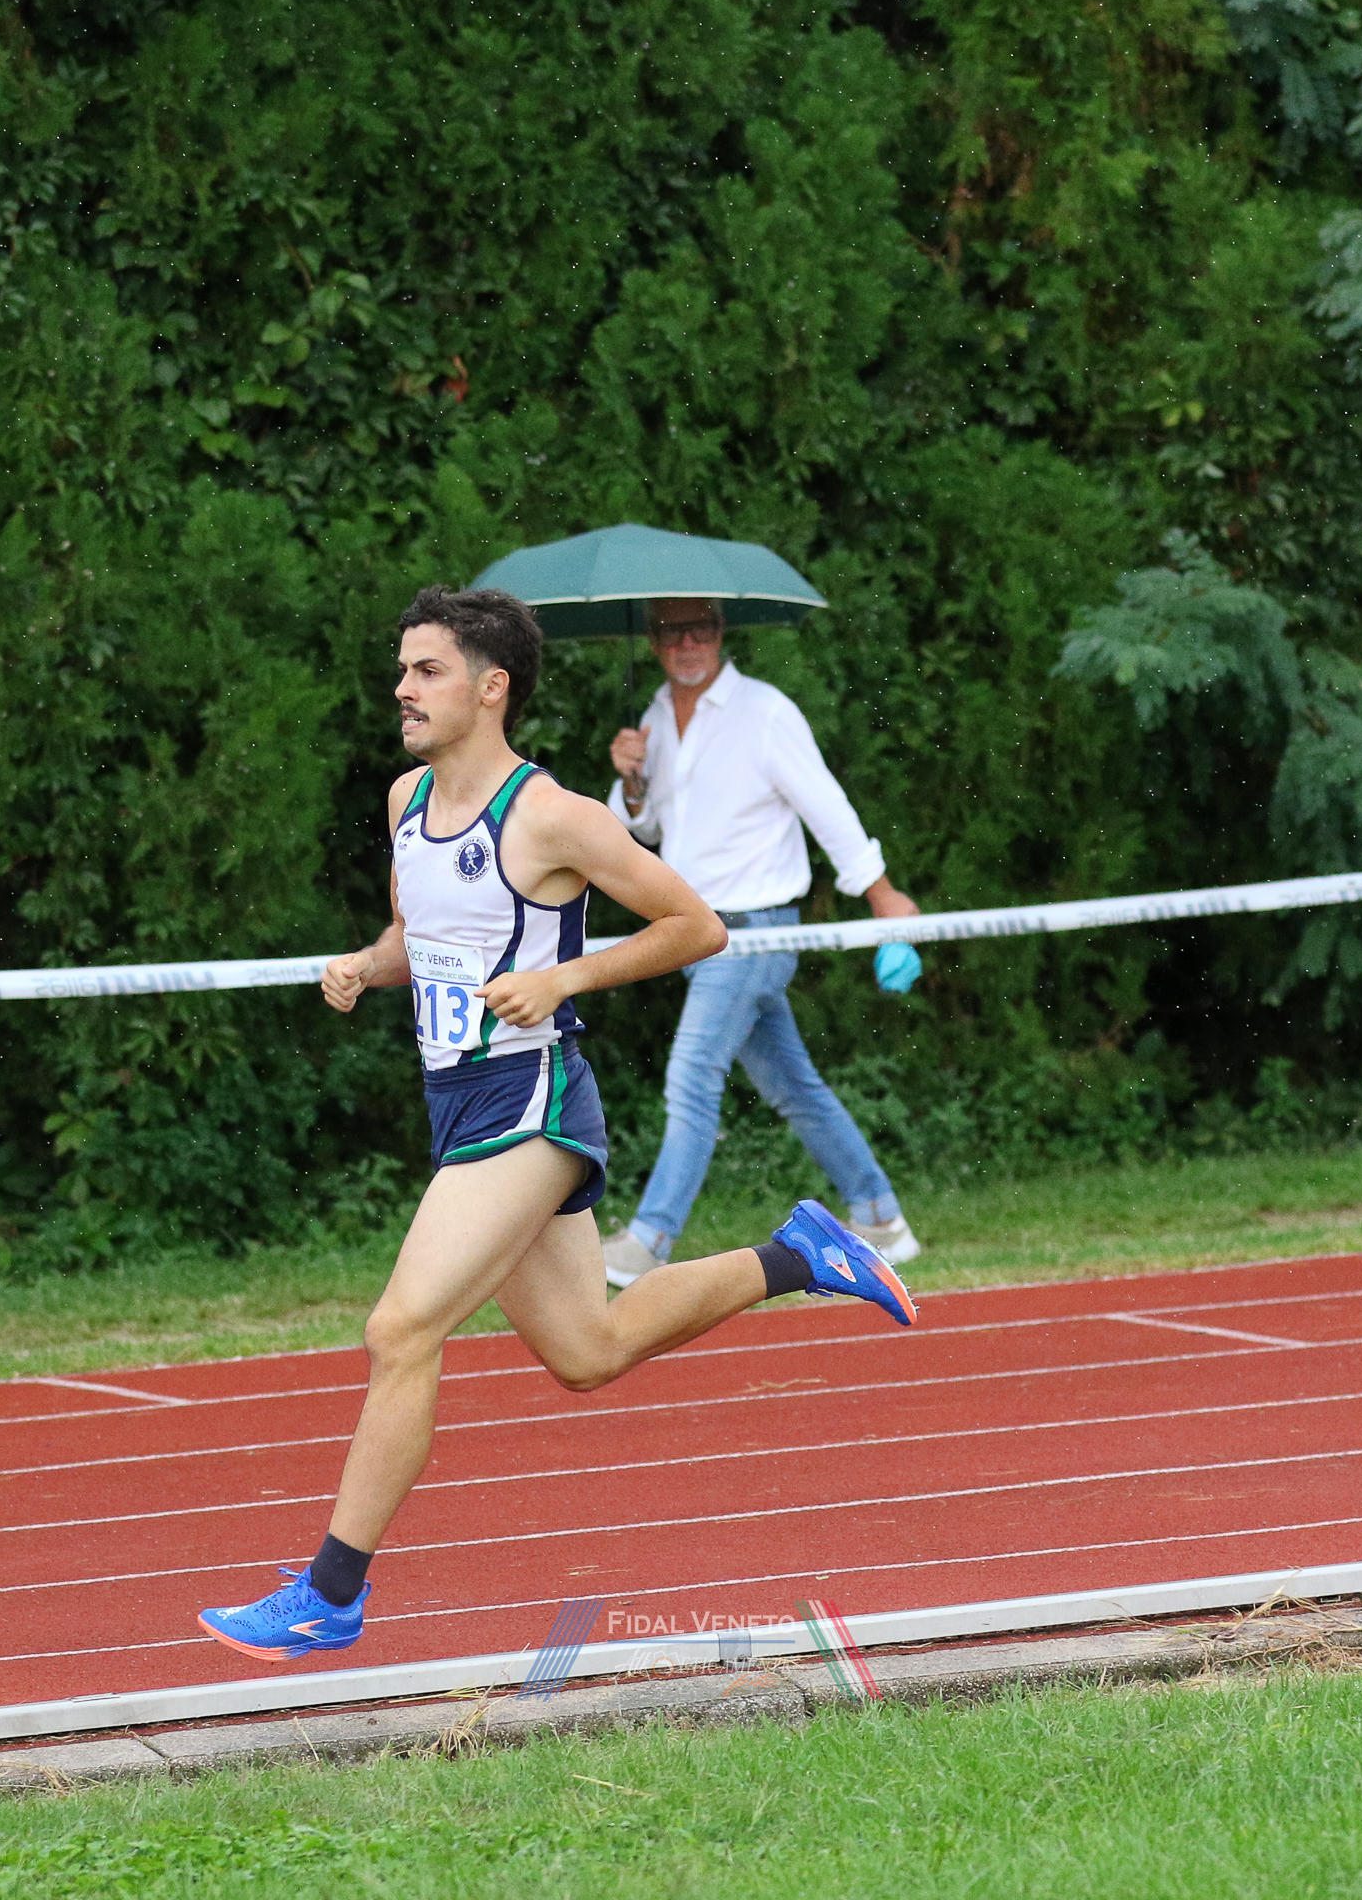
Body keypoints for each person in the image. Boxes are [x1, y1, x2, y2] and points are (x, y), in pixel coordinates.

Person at [195, 586, 917, 1663]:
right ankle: (798, 1253)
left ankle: (330, 1592)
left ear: (491, 688)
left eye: (426, 671)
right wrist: (365, 965)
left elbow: (697, 925)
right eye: (401, 669)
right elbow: (420, 934)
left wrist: (564, 975)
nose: (402, 689)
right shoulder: (405, 801)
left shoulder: (552, 815)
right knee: (589, 1349)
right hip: (459, 1105)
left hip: (529, 1101)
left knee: (402, 1330)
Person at [597, 597, 921, 1289]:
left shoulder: (766, 711)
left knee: (691, 1077)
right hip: (696, 936)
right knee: (795, 1087)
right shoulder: (654, 718)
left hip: (755, 933)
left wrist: (882, 893)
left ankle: (647, 1242)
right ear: (653, 641)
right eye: (673, 630)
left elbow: (827, 807)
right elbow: (648, 830)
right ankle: (882, 1218)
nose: (689, 642)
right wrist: (630, 781)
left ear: (721, 633)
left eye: (702, 628)